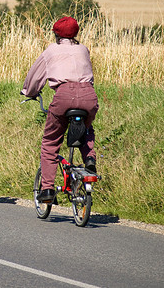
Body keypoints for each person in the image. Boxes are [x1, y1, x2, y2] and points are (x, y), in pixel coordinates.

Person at [21, 16, 99, 203]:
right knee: (86, 131)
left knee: (50, 142)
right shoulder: (83, 49)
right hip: (89, 95)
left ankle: (47, 189)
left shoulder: (51, 50)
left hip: (63, 96)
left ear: (56, 34)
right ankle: (89, 160)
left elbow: (35, 77)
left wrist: (29, 92)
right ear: (76, 33)